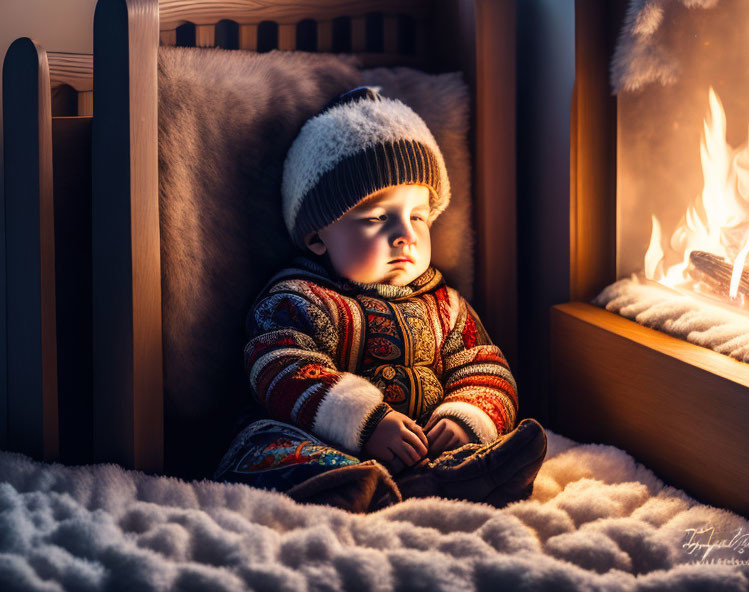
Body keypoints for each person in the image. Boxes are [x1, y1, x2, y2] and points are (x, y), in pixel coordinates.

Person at [214, 87, 546, 512]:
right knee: (268, 449)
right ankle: (361, 486)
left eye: (419, 216)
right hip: (325, 440)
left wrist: (464, 417)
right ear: (318, 236)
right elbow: (280, 365)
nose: (405, 234)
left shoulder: (446, 306)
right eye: (376, 217)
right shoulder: (298, 300)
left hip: (420, 446)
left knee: (482, 443)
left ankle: (437, 479)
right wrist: (368, 423)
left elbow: (485, 365)